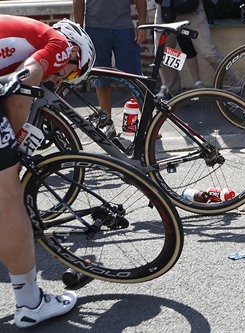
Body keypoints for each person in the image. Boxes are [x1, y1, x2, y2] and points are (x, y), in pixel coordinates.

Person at [0, 15, 96, 328]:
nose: (62, 81)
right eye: (70, 76)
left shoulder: (25, 37)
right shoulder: (59, 44)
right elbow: (21, 88)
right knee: (7, 195)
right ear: (75, 55)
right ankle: (30, 304)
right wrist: (16, 145)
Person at [73, 0, 147, 137]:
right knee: (101, 77)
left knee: (134, 77)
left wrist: (142, 22)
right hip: (94, 28)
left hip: (124, 27)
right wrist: (79, 29)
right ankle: (107, 124)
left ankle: (149, 124)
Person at [154, 0, 225, 98]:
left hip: (192, 7)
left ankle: (233, 88)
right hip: (166, 7)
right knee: (162, 52)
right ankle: (172, 90)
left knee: (209, 52)